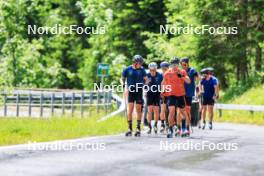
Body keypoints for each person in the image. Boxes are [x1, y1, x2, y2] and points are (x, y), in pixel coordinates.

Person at [162, 58, 191, 138]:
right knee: (171, 111)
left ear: (178, 64)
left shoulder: (182, 71)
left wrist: (182, 76)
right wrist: (162, 91)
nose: (174, 66)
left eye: (176, 64)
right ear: (171, 65)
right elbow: (164, 83)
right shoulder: (167, 73)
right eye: (173, 64)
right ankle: (170, 129)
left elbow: (188, 81)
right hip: (171, 95)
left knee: (182, 112)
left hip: (180, 95)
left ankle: (184, 128)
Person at [122, 55, 147, 137]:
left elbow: (146, 78)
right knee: (130, 109)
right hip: (131, 90)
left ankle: (138, 128)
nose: (140, 65)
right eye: (139, 63)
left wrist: (145, 84)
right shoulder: (127, 69)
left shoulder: (142, 69)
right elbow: (122, 78)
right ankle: (129, 128)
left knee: (138, 109)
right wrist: (123, 84)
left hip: (139, 90)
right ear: (134, 63)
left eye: (141, 63)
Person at [180, 58, 199, 132]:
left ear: (188, 63)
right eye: (181, 64)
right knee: (181, 111)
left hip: (189, 93)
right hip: (180, 93)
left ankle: (187, 127)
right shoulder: (180, 71)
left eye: (184, 64)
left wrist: (197, 84)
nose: (183, 66)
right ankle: (182, 127)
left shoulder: (192, 70)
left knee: (187, 110)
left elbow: (198, 77)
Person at [146, 62, 163, 134]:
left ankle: (155, 125)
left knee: (156, 110)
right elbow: (143, 84)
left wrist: (162, 92)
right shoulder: (147, 75)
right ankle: (149, 126)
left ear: (156, 69)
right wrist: (146, 83)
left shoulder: (159, 75)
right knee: (149, 110)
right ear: (149, 69)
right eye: (151, 70)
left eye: (154, 70)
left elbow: (163, 84)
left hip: (157, 94)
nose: (152, 71)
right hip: (149, 94)